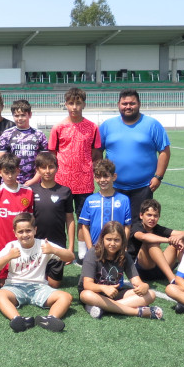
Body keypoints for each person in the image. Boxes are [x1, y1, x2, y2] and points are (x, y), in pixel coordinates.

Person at [0, 213, 74, 332]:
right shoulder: (12, 246)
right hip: (15, 287)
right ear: (15, 233)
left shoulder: (43, 245)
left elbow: (70, 256)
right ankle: (17, 319)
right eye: (21, 231)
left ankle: (50, 319)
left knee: (66, 297)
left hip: (39, 287)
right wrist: (8, 256)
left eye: (28, 230)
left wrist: (53, 250)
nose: (25, 235)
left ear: (35, 230)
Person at [100, 89, 171, 222]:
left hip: (144, 186)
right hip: (114, 185)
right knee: (114, 223)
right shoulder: (107, 126)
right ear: (118, 105)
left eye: (132, 103)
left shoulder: (152, 124)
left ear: (139, 104)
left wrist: (158, 177)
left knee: (140, 225)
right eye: (124, 103)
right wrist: (101, 175)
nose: (128, 106)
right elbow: (97, 152)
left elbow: (164, 151)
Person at [48, 87, 102, 261]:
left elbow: (96, 154)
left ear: (84, 104)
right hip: (61, 180)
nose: (74, 107)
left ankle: (81, 254)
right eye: (71, 103)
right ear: (65, 104)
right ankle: (60, 251)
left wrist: (92, 171)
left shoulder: (92, 127)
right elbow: (52, 155)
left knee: (83, 218)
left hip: (84, 181)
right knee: (59, 217)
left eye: (78, 103)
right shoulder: (58, 127)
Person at [79, 221, 163, 320]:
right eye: (109, 239)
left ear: (122, 240)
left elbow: (137, 282)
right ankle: (137, 312)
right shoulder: (93, 253)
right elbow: (87, 285)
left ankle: (103, 309)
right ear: (102, 239)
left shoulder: (124, 255)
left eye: (117, 240)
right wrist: (103, 288)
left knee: (150, 294)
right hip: (95, 293)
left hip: (115, 293)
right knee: (85, 295)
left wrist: (144, 286)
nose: (112, 243)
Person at [0, 153, 34, 284]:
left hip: (21, 244)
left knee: (22, 281)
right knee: (3, 283)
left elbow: (30, 221)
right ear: (0, 172)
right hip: (0, 244)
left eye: (13, 172)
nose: (10, 176)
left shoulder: (27, 192)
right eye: (6, 172)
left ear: (18, 170)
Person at [30, 152, 75, 288]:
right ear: (37, 170)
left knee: (54, 284)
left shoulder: (65, 191)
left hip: (57, 244)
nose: (47, 171)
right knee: (36, 281)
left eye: (51, 167)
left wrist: (71, 247)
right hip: (36, 244)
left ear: (57, 168)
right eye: (43, 168)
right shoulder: (31, 191)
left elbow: (70, 219)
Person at [127, 199, 184, 283]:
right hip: (143, 270)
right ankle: (172, 279)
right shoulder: (136, 227)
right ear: (141, 215)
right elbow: (143, 237)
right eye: (149, 215)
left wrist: (180, 236)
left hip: (160, 270)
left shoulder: (158, 228)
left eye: (155, 216)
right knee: (151, 241)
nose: (152, 218)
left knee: (183, 239)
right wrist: (169, 240)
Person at [78, 158, 131, 248]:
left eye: (106, 176)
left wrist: (123, 247)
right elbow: (85, 226)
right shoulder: (90, 200)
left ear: (114, 177)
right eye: (98, 177)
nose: (102, 180)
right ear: (95, 178)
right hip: (95, 248)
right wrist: (90, 249)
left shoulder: (124, 200)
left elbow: (127, 226)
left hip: (116, 248)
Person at [0, 99, 48, 187]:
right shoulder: (6, 134)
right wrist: (12, 179)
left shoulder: (39, 135)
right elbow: (0, 160)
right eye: (16, 116)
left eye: (23, 115)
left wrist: (35, 179)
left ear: (30, 115)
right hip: (10, 181)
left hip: (34, 182)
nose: (19, 118)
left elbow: (44, 160)